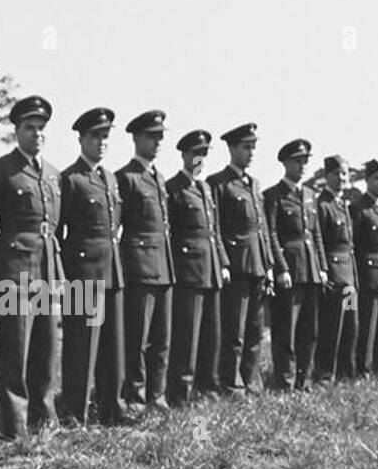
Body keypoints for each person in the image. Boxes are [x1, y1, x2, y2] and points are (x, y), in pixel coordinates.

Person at [0, 96, 63, 439]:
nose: (37, 134)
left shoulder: (54, 175)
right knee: (15, 346)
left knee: (46, 345)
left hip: (47, 268)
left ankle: (44, 419)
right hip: (15, 269)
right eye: (29, 127)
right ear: (16, 131)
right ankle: (14, 424)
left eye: (42, 128)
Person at [59, 107, 128, 426]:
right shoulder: (71, 179)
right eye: (95, 137)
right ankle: (76, 413)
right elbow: (59, 231)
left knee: (113, 346)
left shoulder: (109, 178)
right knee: (81, 346)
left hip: (112, 270)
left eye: (105, 137)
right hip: (82, 273)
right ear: (81, 140)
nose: (101, 143)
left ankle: (112, 408)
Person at [116, 110, 176, 414]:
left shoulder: (158, 177)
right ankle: (136, 398)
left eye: (161, 137)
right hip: (139, 267)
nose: (158, 142)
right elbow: (116, 228)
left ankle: (158, 395)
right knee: (137, 339)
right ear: (137, 138)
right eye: (152, 137)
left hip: (164, 266)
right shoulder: (126, 178)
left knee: (161, 340)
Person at [165, 129, 230, 404]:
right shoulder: (173, 188)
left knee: (211, 336)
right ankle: (181, 392)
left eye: (204, 154)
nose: (200, 159)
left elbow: (214, 232)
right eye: (195, 154)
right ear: (183, 155)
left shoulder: (205, 188)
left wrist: (223, 263)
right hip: (188, 272)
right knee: (187, 337)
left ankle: (208, 388)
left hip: (211, 270)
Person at [207, 123, 272, 395]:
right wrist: (222, 262)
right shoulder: (218, 183)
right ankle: (232, 384)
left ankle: (251, 381)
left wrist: (269, 265)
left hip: (257, 264)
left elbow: (263, 227)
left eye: (253, 147)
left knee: (255, 331)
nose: (251, 153)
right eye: (246, 147)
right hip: (236, 265)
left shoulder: (254, 184)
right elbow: (215, 228)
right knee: (234, 331)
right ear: (231, 149)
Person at [264, 138, 328, 390]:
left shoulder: (311, 195)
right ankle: (285, 380)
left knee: (309, 331)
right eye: (297, 162)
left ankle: (304, 378)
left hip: (311, 270)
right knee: (285, 330)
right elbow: (271, 234)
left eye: (305, 162)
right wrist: (280, 268)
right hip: (290, 270)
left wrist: (322, 267)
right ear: (285, 163)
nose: (302, 166)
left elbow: (317, 234)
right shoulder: (274, 195)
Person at [351, 159, 378, 377]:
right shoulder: (359, 208)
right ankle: (363, 368)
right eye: (377, 179)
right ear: (367, 180)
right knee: (367, 324)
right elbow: (355, 245)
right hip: (368, 274)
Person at [314, 155, 357, 383]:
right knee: (332, 326)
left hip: (349, 278)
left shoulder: (343, 205)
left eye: (344, 174)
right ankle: (325, 372)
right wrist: (325, 271)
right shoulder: (323, 205)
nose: (341, 178)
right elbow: (319, 241)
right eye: (337, 174)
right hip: (335, 275)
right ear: (327, 176)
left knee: (350, 324)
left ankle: (345, 371)